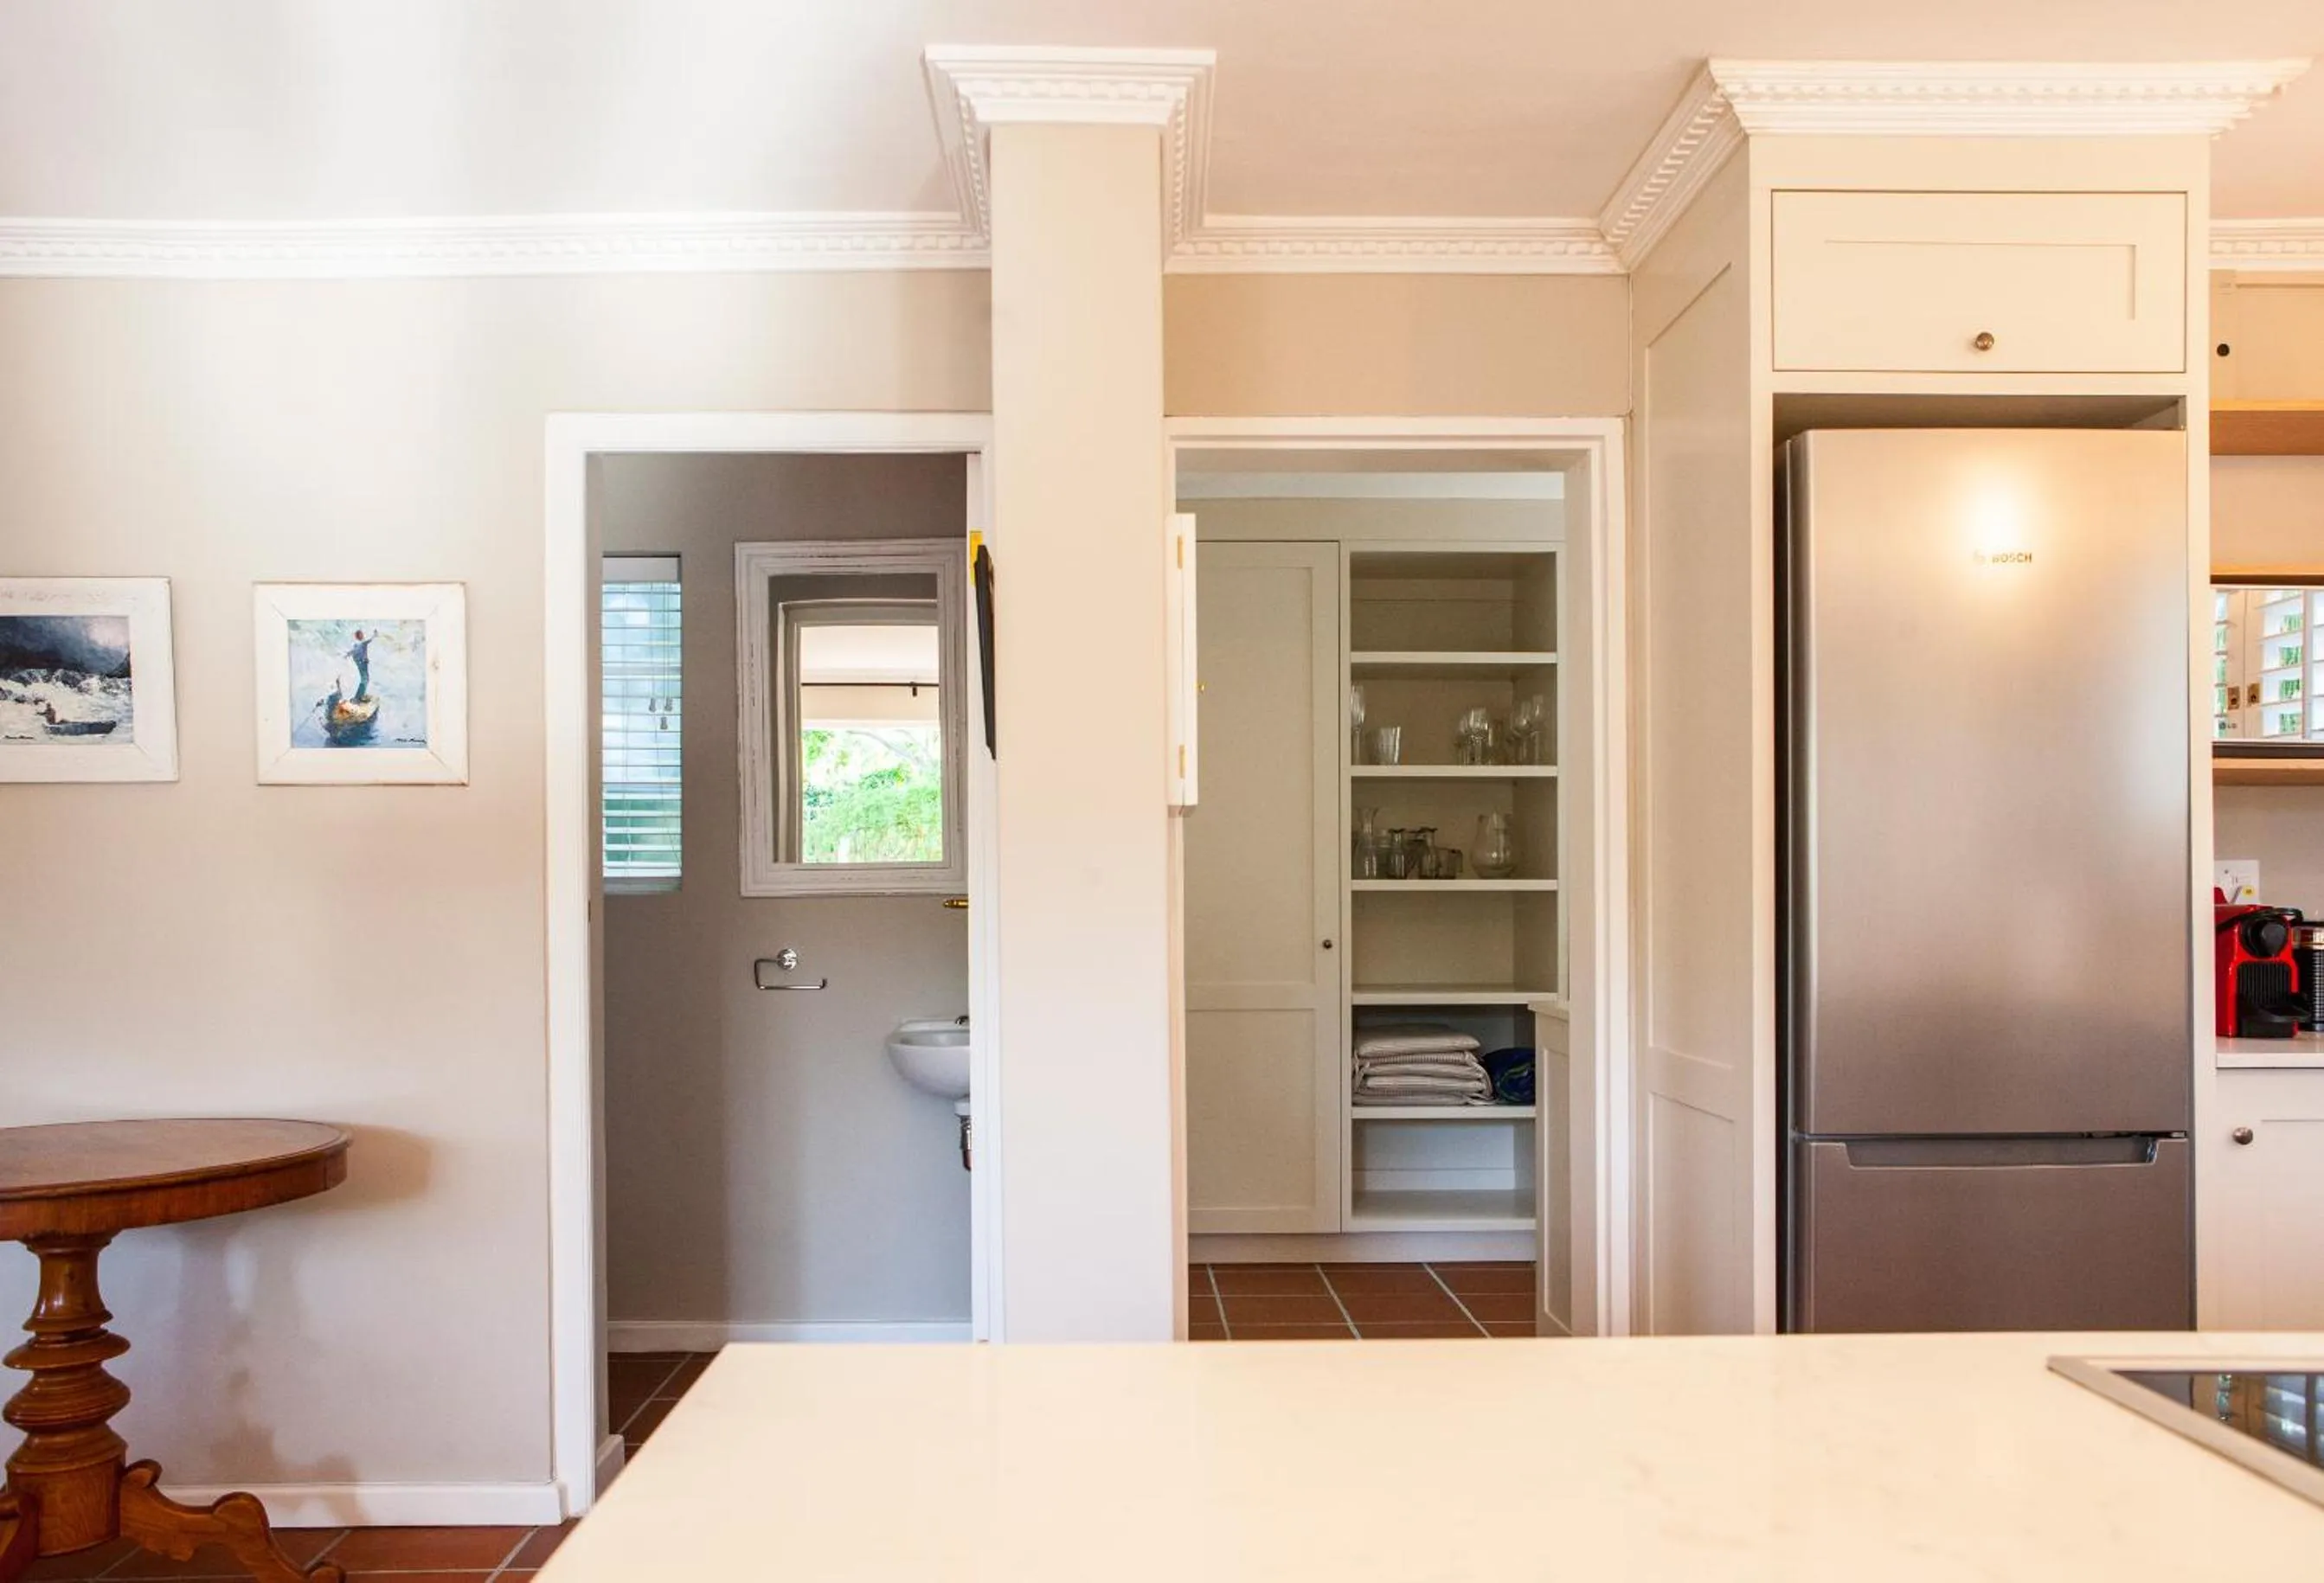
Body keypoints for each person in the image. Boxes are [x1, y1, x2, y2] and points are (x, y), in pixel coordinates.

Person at [344, 630, 375, 702]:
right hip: (362, 662)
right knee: (365, 679)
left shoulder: (356, 644)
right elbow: (369, 640)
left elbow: (352, 651)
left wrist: (347, 655)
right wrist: (374, 635)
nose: (363, 635)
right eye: (361, 634)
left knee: (365, 679)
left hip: (360, 662)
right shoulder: (362, 642)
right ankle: (358, 697)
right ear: (359, 636)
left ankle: (360, 696)